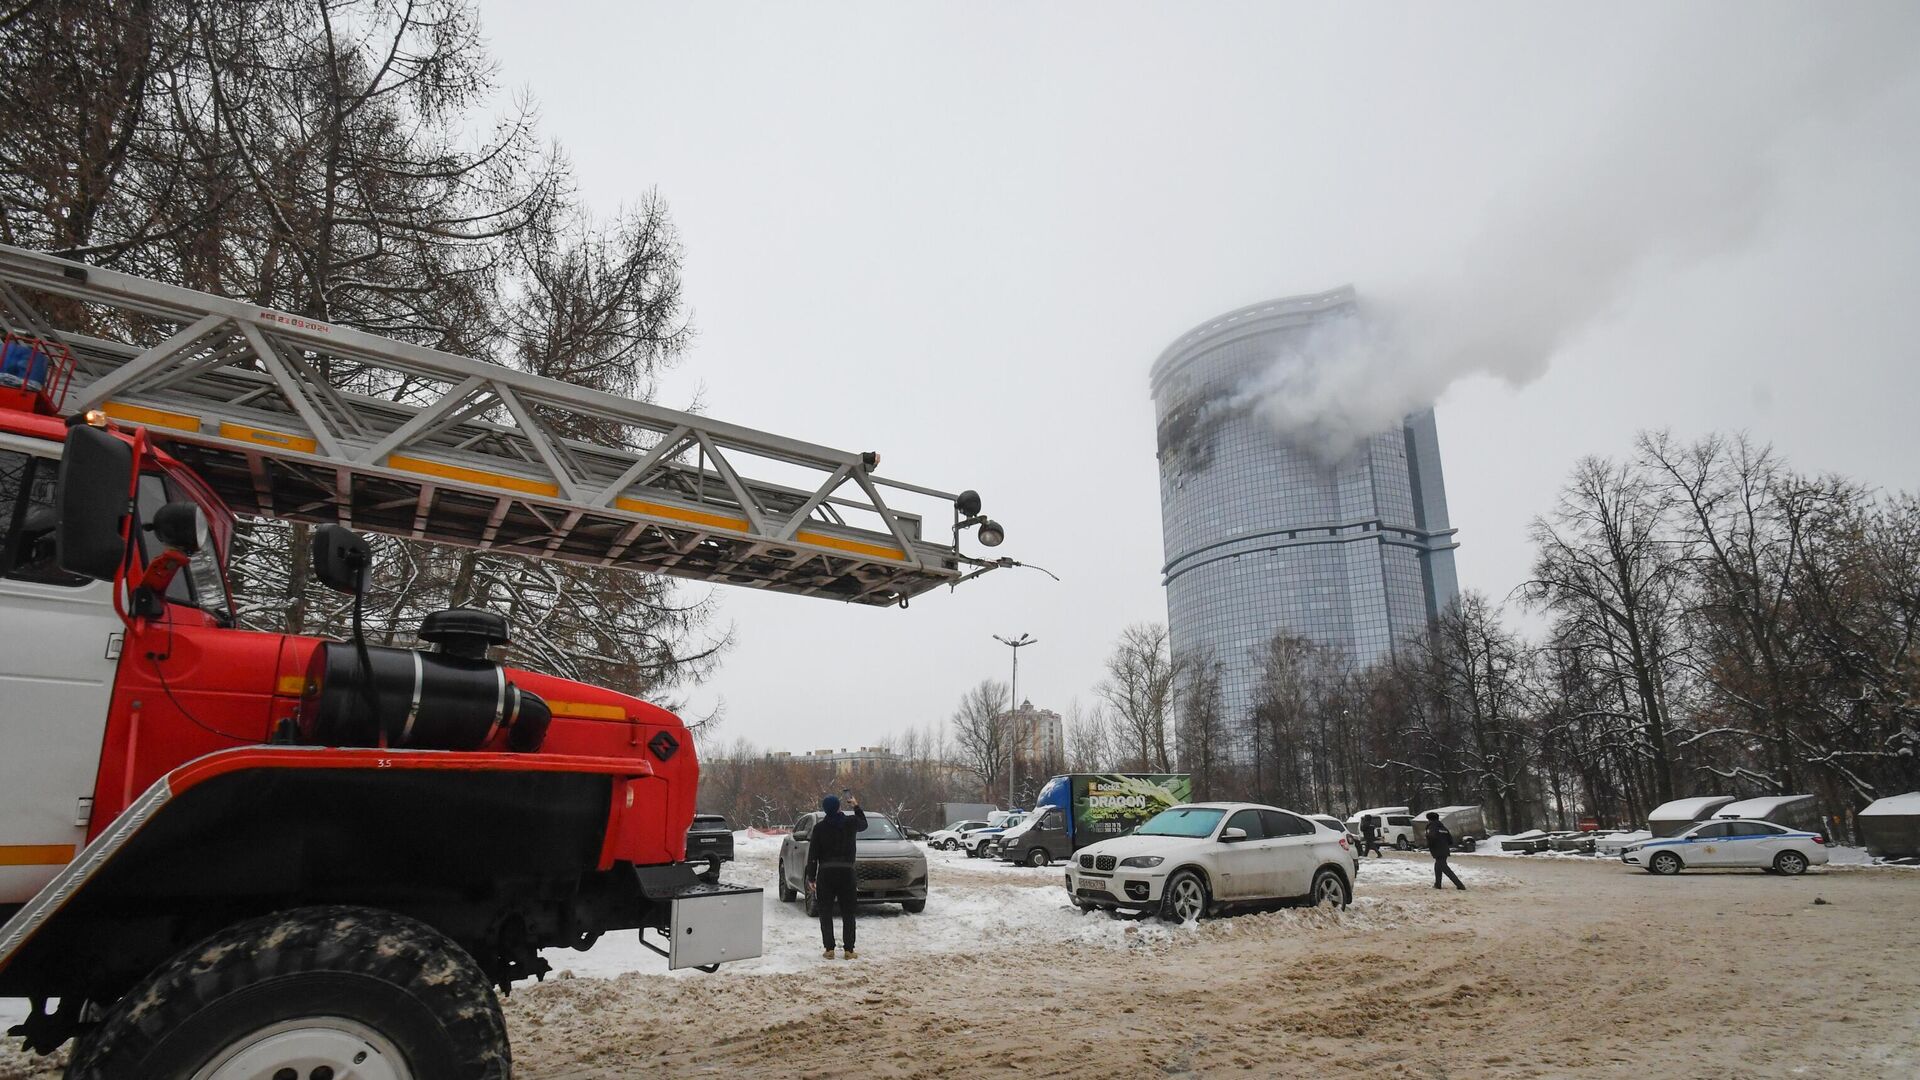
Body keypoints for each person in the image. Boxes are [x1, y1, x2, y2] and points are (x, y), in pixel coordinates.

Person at [805, 793, 867, 959]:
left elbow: (813, 854)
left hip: (826, 874)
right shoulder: (851, 822)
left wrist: (811, 877)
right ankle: (849, 950)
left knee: (825, 911)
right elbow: (864, 824)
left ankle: (829, 949)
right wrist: (856, 806)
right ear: (839, 807)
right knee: (848, 912)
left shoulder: (819, 828)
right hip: (847, 873)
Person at [1426, 811, 1466, 890]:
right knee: (1438, 866)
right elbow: (1450, 840)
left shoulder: (1431, 827)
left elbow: (1431, 837)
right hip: (1444, 849)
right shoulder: (1443, 827)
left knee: (1444, 868)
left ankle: (1459, 885)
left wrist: (1430, 845)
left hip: (1437, 849)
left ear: (1430, 819)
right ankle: (1438, 884)